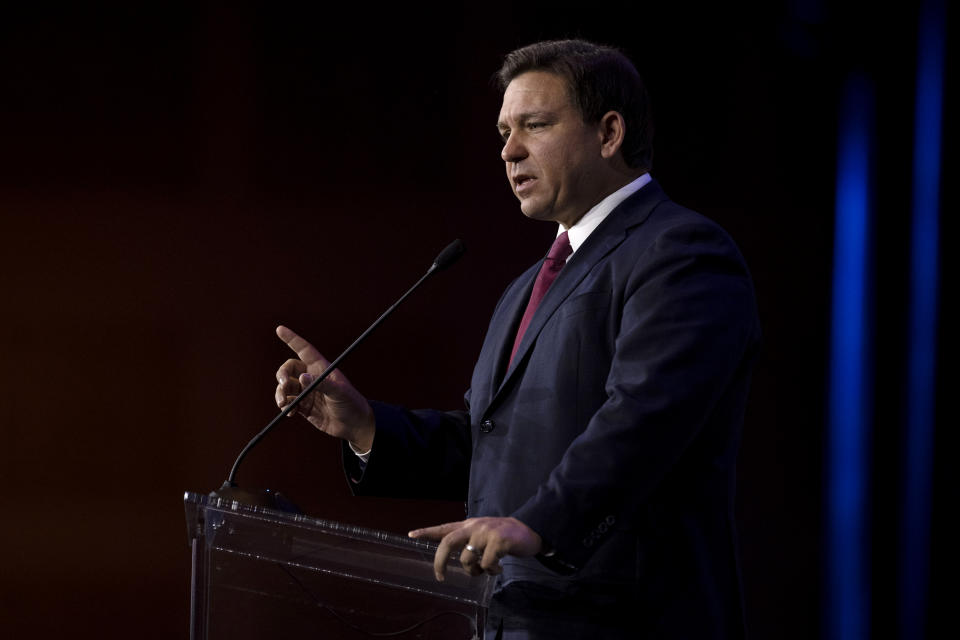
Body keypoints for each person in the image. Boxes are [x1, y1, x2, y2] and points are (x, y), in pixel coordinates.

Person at [275, 39, 760, 639]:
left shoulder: (680, 253)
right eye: (504, 131)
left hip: (626, 620)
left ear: (609, 133)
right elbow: (494, 442)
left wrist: (538, 524)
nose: (508, 151)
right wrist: (366, 426)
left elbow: (645, 420)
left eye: (534, 125)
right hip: (517, 619)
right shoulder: (529, 285)